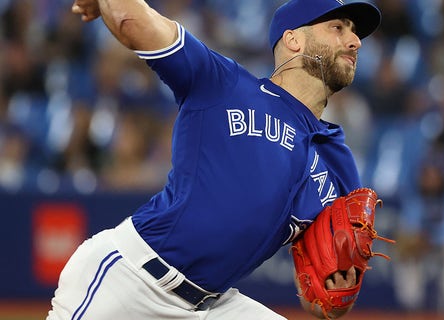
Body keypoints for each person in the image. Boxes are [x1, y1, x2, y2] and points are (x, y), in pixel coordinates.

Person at [47, 0, 382, 319]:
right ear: (293, 39)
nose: (354, 41)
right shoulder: (225, 85)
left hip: (211, 304)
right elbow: (136, 22)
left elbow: (319, 295)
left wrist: (336, 296)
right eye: (338, 27)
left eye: (354, 33)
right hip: (132, 279)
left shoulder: (337, 162)